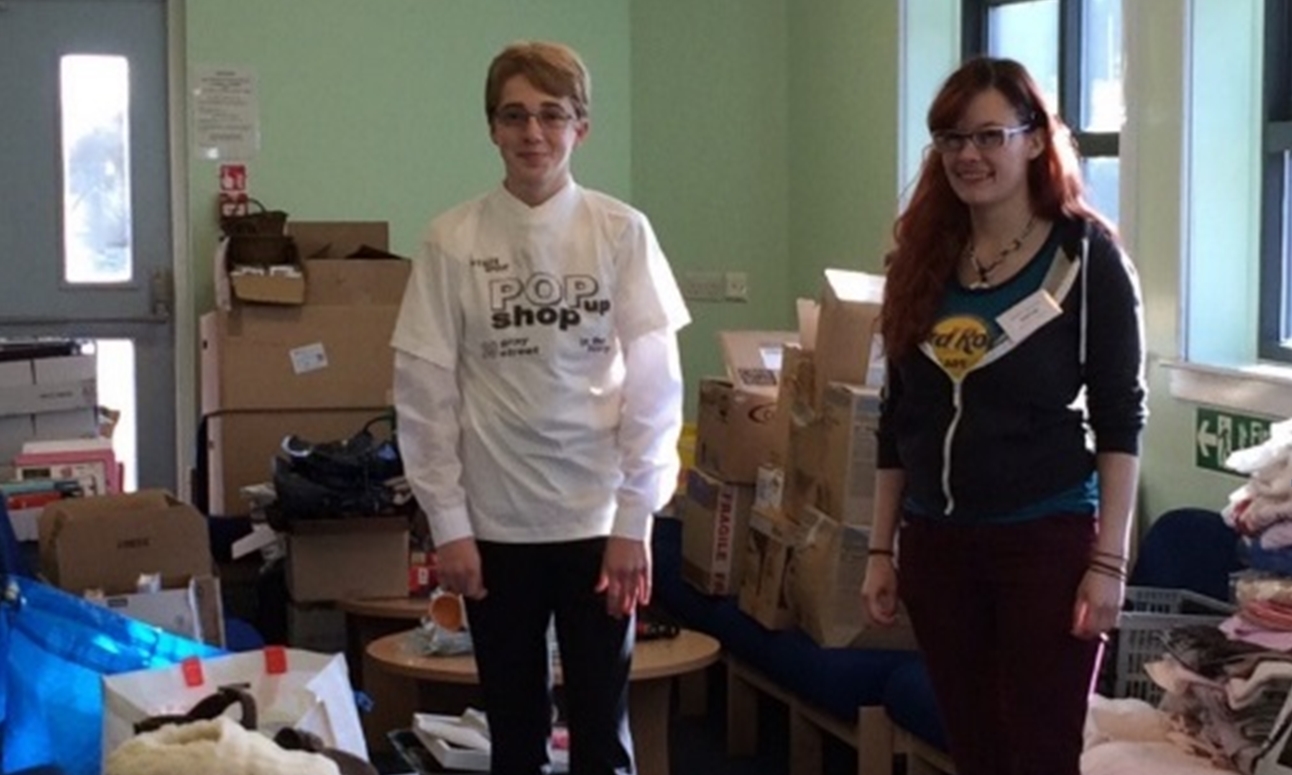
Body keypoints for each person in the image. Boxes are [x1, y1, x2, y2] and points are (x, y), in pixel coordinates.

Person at [391, 41, 689, 775]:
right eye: (514, 116)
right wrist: (449, 524)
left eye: (552, 115)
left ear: (580, 126)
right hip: (495, 526)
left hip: (597, 521)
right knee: (515, 730)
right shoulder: (450, 239)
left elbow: (655, 387)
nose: (533, 133)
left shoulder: (621, 231)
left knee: (601, 729)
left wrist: (635, 518)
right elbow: (423, 393)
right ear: (491, 128)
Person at [860, 56, 1147, 775]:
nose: (968, 155)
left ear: (1034, 140)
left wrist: (1108, 563)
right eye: (951, 138)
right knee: (976, 750)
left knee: (1041, 753)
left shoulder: (1087, 257)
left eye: (989, 136)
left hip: (1044, 545)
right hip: (938, 547)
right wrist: (878, 549)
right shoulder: (921, 257)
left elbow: (1121, 417)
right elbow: (897, 418)